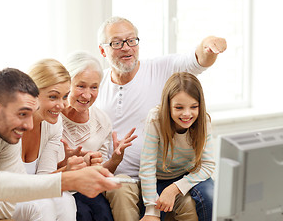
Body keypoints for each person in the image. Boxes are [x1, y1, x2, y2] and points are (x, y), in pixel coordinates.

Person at [0, 68, 120, 220]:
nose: (28, 125)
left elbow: (7, 202)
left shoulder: (6, 132)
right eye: (23, 114)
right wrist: (71, 179)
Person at [95, 16, 227, 221]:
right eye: (116, 42)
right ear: (103, 50)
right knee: (119, 188)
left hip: (164, 175)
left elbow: (197, 61)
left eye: (131, 40)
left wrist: (208, 45)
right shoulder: (97, 84)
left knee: (197, 201)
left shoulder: (159, 68)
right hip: (122, 177)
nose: (126, 47)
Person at [61, 51, 137, 221]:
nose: (87, 95)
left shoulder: (102, 121)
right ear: (67, 83)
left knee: (103, 215)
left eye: (94, 87)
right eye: (80, 86)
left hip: (86, 188)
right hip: (60, 187)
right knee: (82, 214)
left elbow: (101, 172)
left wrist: (115, 159)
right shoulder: (53, 115)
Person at [12, 59, 82, 221]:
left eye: (65, 97)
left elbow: (45, 176)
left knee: (65, 199)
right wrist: (65, 173)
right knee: (43, 205)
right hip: (0, 194)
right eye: (53, 97)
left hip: (26, 193)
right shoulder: (10, 123)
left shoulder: (54, 124)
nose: (62, 105)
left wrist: (69, 171)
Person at [139, 72, 215, 221]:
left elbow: (207, 165)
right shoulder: (155, 119)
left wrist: (175, 188)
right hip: (161, 178)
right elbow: (147, 166)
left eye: (194, 107)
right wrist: (151, 210)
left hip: (191, 174)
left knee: (210, 196)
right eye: (179, 108)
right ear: (168, 106)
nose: (187, 114)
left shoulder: (204, 120)